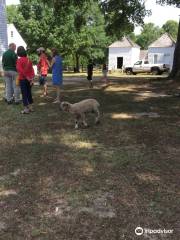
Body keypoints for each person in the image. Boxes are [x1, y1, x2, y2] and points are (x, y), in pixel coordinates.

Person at [16, 46, 35, 114]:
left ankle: (26, 109)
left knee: (24, 94)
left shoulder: (19, 60)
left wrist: (26, 77)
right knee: (29, 93)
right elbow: (32, 70)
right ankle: (31, 107)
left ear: (18, 52)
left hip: (23, 79)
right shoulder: (29, 60)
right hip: (29, 79)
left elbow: (20, 70)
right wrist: (32, 79)